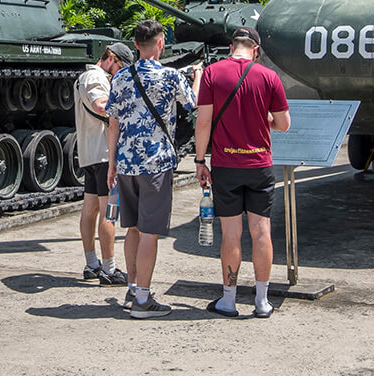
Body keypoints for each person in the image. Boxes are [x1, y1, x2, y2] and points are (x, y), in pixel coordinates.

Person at [194, 27, 290, 318]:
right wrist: (264, 120)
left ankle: (229, 299)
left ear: (231, 47)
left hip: (226, 166)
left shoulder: (212, 73)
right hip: (259, 165)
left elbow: (203, 123)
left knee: (231, 234)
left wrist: (200, 161)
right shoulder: (268, 77)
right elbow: (284, 123)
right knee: (261, 231)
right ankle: (262, 300)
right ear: (255, 49)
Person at [107, 19, 197, 318]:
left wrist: (112, 164)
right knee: (150, 233)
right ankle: (144, 301)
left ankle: (133, 287)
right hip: (155, 163)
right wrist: (197, 76)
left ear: (135, 45)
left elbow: (113, 124)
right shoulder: (170, 76)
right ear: (161, 44)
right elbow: (193, 103)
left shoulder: (120, 78)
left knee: (132, 228)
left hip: (126, 164)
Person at [74, 42, 135, 285]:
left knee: (90, 209)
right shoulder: (96, 77)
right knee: (109, 211)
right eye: (120, 66)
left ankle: (92, 264)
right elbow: (100, 105)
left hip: (91, 153)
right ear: (110, 58)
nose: (120, 72)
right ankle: (109, 269)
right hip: (104, 155)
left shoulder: (86, 77)